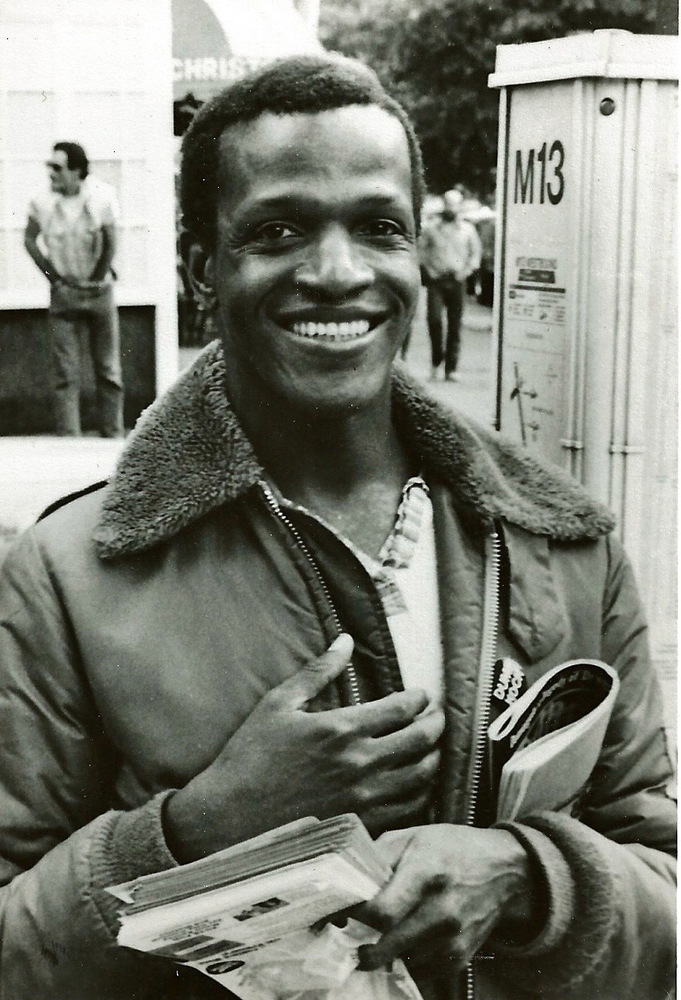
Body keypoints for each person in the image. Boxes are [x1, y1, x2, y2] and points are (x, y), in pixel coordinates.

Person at [0, 55, 674, 1000]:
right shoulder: (70, 576)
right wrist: (199, 828)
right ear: (203, 268)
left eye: (377, 227)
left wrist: (532, 881)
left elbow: (661, 879)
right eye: (277, 229)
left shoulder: (561, 543)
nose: (337, 272)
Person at [24, 141, 124, 437]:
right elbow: (30, 240)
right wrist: (53, 278)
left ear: (77, 171)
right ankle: (69, 440)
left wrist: (97, 275)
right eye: (50, 167)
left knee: (108, 370)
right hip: (64, 293)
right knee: (65, 373)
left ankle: (113, 436)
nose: (51, 173)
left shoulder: (103, 196)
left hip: (99, 291)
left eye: (57, 168)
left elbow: (111, 239)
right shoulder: (41, 202)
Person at [419, 189, 481, 381]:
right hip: (436, 281)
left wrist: (466, 271)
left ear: (459, 206)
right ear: (443, 205)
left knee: (455, 325)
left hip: (457, 280)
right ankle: (436, 362)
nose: (450, 207)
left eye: (454, 204)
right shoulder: (431, 228)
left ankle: (451, 368)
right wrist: (429, 270)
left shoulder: (468, 229)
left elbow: (475, 254)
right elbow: (420, 252)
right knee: (434, 321)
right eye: (447, 203)